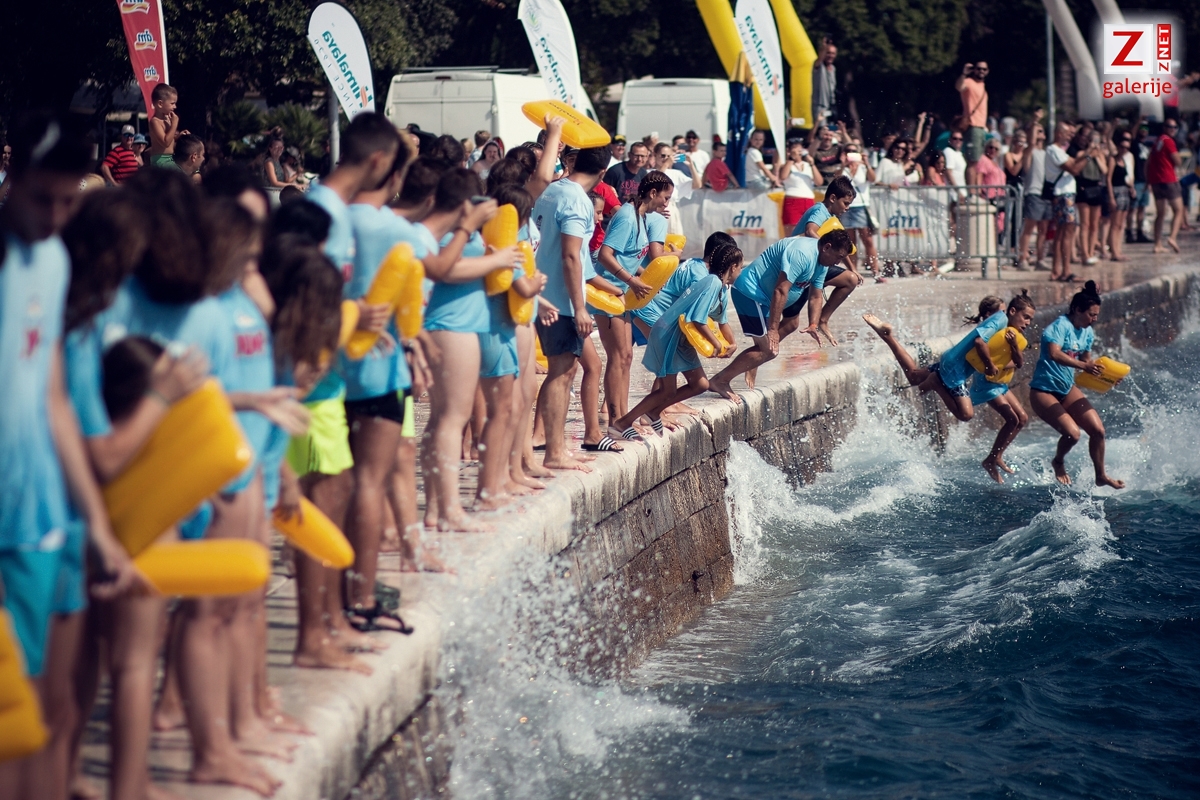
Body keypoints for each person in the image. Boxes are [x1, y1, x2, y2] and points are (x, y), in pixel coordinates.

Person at [0, 112, 142, 800]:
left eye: (67, 202)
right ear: (12, 176)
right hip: (7, 528)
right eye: (42, 200)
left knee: (55, 708)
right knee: (12, 720)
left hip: (49, 514)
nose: (56, 217)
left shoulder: (53, 261)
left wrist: (99, 525)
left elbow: (54, 398)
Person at [419, 169, 515, 531]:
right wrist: (496, 261)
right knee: (452, 419)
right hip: (452, 325)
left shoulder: (459, 231)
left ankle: (435, 510)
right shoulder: (451, 231)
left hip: (456, 324)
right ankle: (451, 511)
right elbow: (447, 270)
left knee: (441, 419)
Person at [609, 243, 744, 438]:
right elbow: (697, 319)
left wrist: (732, 344)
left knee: (700, 384)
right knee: (667, 390)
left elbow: (721, 321)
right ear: (733, 267)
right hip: (668, 334)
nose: (741, 271)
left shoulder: (720, 288)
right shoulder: (712, 283)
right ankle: (622, 423)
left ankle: (653, 413)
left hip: (679, 338)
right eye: (740, 267)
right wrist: (716, 344)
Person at [707, 230, 855, 403]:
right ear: (827, 247)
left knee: (788, 328)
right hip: (750, 294)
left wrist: (813, 324)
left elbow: (816, 296)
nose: (838, 263)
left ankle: (751, 362)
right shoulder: (802, 254)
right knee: (769, 350)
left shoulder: (822, 263)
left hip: (764, 299)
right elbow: (780, 290)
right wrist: (773, 329)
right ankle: (720, 380)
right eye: (839, 257)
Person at [532, 146, 610, 472]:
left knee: (564, 372)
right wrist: (580, 308)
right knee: (561, 373)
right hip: (561, 301)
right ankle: (554, 452)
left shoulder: (552, 189)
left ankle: (557, 446)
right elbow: (570, 255)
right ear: (603, 173)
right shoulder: (578, 200)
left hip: (544, 293)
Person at [595, 171, 673, 438]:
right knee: (617, 356)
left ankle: (623, 418)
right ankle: (615, 420)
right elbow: (605, 255)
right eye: (665, 198)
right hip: (608, 292)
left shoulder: (641, 217)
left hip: (623, 293)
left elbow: (629, 258)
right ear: (653, 193)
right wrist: (631, 280)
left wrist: (645, 277)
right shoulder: (628, 217)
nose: (666, 204)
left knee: (627, 356)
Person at [862, 289, 1013, 424]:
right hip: (955, 369)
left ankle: (887, 337)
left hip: (951, 361)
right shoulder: (999, 321)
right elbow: (979, 342)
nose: (1004, 315)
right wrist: (989, 365)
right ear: (989, 314)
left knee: (914, 376)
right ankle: (935, 383)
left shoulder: (994, 330)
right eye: (1003, 311)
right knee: (966, 414)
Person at [1028, 280, 1124, 489]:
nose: (1095, 319)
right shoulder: (1059, 326)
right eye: (1091, 315)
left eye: (1096, 315)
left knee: (1098, 430)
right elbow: (1054, 354)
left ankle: (1101, 475)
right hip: (1043, 391)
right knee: (1073, 434)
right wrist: (1083, 365)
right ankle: (1058, 462)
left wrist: (1109, 378)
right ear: (1078, 310)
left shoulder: (1087, 332)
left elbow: (1088, 364)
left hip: (1066, 389)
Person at [964, 293, 1037, 483]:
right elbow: (980, 346)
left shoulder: (1017, 337)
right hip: (986, 382)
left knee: (1022, 418)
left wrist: (1013, 346)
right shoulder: (998, 329)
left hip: (1000, 383)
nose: (1028, 322)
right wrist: (992, 363)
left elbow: (1019, 362)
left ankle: (994, 457)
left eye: (1030, 319)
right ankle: (991, 459)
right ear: (1012, 312)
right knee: (1012, 419)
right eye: (1025, 317)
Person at [1045, 121, 1088, 282]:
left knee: (1062, 233)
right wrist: (1089, 155)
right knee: (1067, 232)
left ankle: (1057, 271)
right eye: (1067, 133)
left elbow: (1074, 162)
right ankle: (1065, 271)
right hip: (1063, 194)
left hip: (1065, 194)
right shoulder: (1053, 150)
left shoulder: (1059, 151)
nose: (1070, 136)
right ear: (1059, 133)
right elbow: (1075, 169)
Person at [840, 143, 882, 282]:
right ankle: (854, 272)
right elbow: (837, 180)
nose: (851, 153)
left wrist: (867, 163)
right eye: (848, 151)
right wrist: (843, 165)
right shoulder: (843, 169)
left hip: (861, 206)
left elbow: (873, 179)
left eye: (853, 151)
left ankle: (876, 272)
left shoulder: (864, 168)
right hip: (847, 207)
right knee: (851, 242)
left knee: (868, 240)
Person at [1018, 117, 1050, 270]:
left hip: (1046, 194)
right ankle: (1022, 258)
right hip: (1033, 192)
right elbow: (1031, 143)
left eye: (1041, 131)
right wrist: (1035, 121)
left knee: (1043, 230)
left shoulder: (1046, 153)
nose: (1039, 133)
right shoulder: (1029, 151)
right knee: (1029, 229)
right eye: (1037, 131)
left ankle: (1040, 259)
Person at [1147, 119, 1183, 253]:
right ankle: (1172, 237)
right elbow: (1177, 161)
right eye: (1170, 127)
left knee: (1160, 213)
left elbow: (1148, 161)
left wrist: (1148, 179)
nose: (1173, 129)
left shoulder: (1157, 141)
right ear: (1165, 128)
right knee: (1178, 210)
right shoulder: (1168, 141)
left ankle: (1157, 244)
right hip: (1168, 179)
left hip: (1156, 180)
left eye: (1175, 127)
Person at [1075, 130, 1108, 265]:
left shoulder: (1100, 155)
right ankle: (1084, 253)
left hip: (1096, 187)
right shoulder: (1081, 154)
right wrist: (1089, 153)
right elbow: (1078, 166)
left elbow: (1104, 171)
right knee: (1085, 223)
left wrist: (1097, 156)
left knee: (1094, 224)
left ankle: (1091, 251)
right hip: (1084, 187)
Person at [955, 61, 989, 184]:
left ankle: (974, 188)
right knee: (972, 161)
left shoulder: (983, 86)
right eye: (979, 68)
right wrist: (964, 73)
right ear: (974, 70)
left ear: (987, 71)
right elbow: (959, 87)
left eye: (984, 69)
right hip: (973, 125)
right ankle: (972, 191)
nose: (981, 71)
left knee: (977, 161)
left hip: (980, 127)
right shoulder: (969, 82)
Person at [779, 140, 822, 231]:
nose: (798, 153)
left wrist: (812, 164)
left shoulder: (807, 165)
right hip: (792, 201)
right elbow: (782, 176)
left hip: (808, 201)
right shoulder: (786, 165)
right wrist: (791, 159)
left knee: (809, 230)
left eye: (800, 150)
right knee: (792, 232)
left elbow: (819, 182)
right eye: (795, 150)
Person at [1107, 129, 1135, 262]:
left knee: (1121, 224)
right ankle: (1114, 251)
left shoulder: (1124, 160)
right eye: (1122, 147)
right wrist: (1111, 197)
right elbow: (1108, 179)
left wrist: (1131, 188)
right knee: (1115, 223)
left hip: (1124, 191)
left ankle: (1118, 249)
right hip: (1116, 191)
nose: (1124, 150)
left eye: (1127, 148)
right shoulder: (1113, 160)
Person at [147, 84, 182, 168]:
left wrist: (178, 136)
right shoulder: (155, 121)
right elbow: (165, 142)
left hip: (170, 159)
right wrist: (174, 124)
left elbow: (169, 139)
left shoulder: (167, 119)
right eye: (172, 103)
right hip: (160, 160)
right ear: (160, 104)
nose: (175, 107)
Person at [812, 38, 837, 127]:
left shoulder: (833, 69)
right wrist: (824, 47)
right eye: (828, 53)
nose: (830, 56)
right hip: (820, 105)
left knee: (832, 129)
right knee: (821, 129)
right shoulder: (819, 67)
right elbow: (819, 59)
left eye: (833, 53)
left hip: (831, 106)